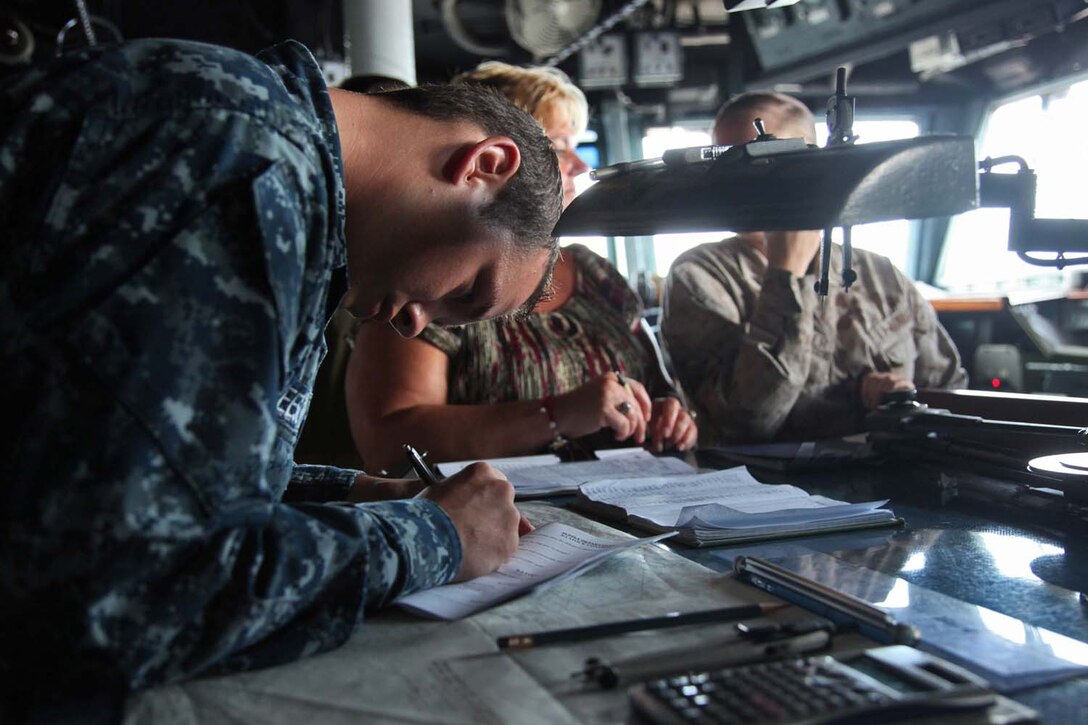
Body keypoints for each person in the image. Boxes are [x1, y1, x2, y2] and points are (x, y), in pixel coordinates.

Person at [0, 37, 562, 711]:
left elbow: (153, 469)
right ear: (484, 164)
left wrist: (353, 491)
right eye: (468, 291)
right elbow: (131, 589)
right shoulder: (240, 158)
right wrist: (435, 539)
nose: (419, 324)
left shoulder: (275, 161)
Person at [343, 61, 697, 474]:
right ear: (491, 160)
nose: (580, 167)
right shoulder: (426, 280)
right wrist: (556, 414)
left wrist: (664, 414)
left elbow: (657, 388)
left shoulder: (597, 274)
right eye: (559, 147)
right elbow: (387, 443)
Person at [661, 92, 966, 445]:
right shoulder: (699, 277)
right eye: (723, 164)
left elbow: (950, 396)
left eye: (756, 160)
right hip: (766, 492)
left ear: (811, 167)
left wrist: (904, 399)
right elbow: (743, 424)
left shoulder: (880, 275)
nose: (734, 181)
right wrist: (786, 271)